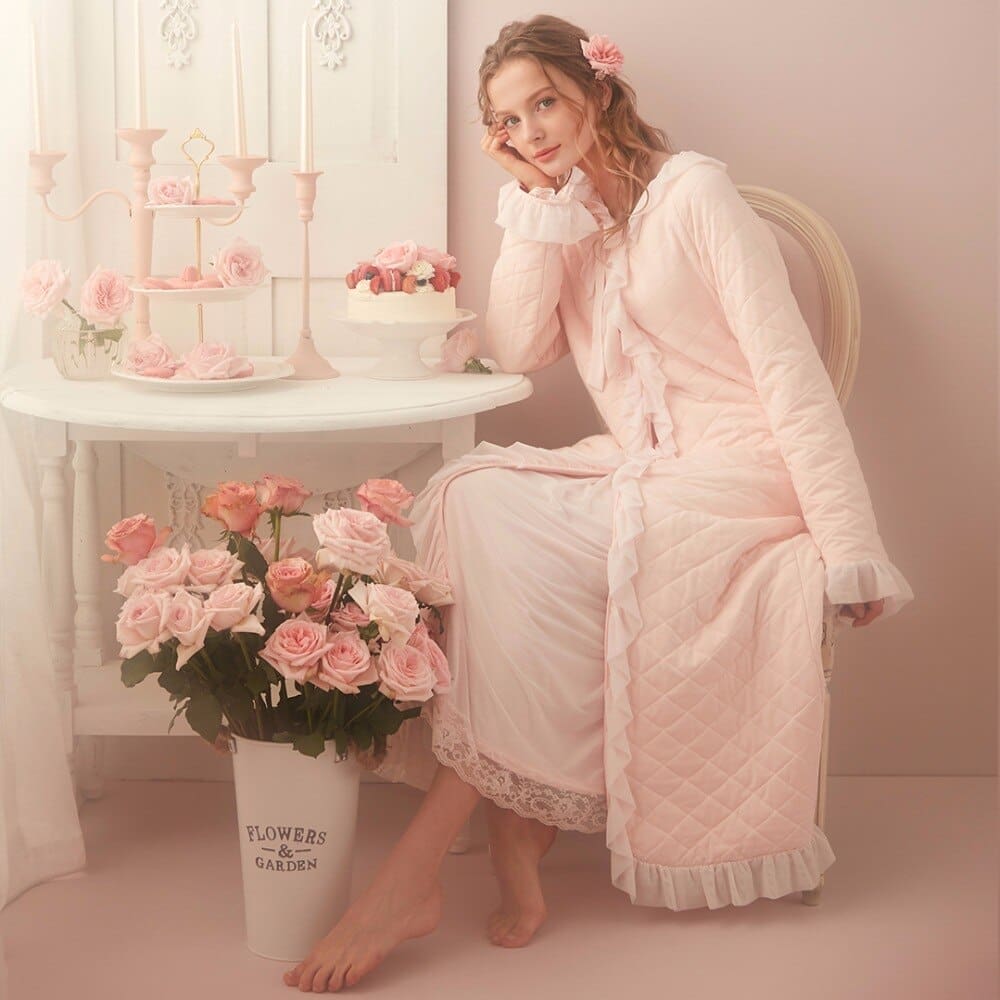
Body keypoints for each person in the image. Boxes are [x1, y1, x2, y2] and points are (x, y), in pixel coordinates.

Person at [283, 14, 914, 993]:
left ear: (598, 89)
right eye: (508, 120)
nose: (531, 130)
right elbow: (520, 345)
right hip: (643, 467)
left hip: (739, 474)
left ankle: (418, 872)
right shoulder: (568, 214)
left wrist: (848, 543)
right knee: (470, 496)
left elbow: (789, 373)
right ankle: (515, 820)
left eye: (544, 102)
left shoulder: (695, 193)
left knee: (550, 534)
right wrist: (536, 206)